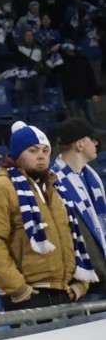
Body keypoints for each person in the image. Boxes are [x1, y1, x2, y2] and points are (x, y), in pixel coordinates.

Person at [0, 121, 93, 310]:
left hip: (65, 292)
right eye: (33, 150)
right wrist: (18, 288)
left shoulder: (56, 189)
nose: (41, 156)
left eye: (46, 151)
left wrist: (82, 283)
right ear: (16, 154)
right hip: (29, 296)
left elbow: (74, 235)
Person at [51, 117, 106, 301]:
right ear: (80, 144)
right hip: (82, 282)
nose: (97, 143)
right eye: (93, 139)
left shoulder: (90, 178)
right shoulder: (54, 182)